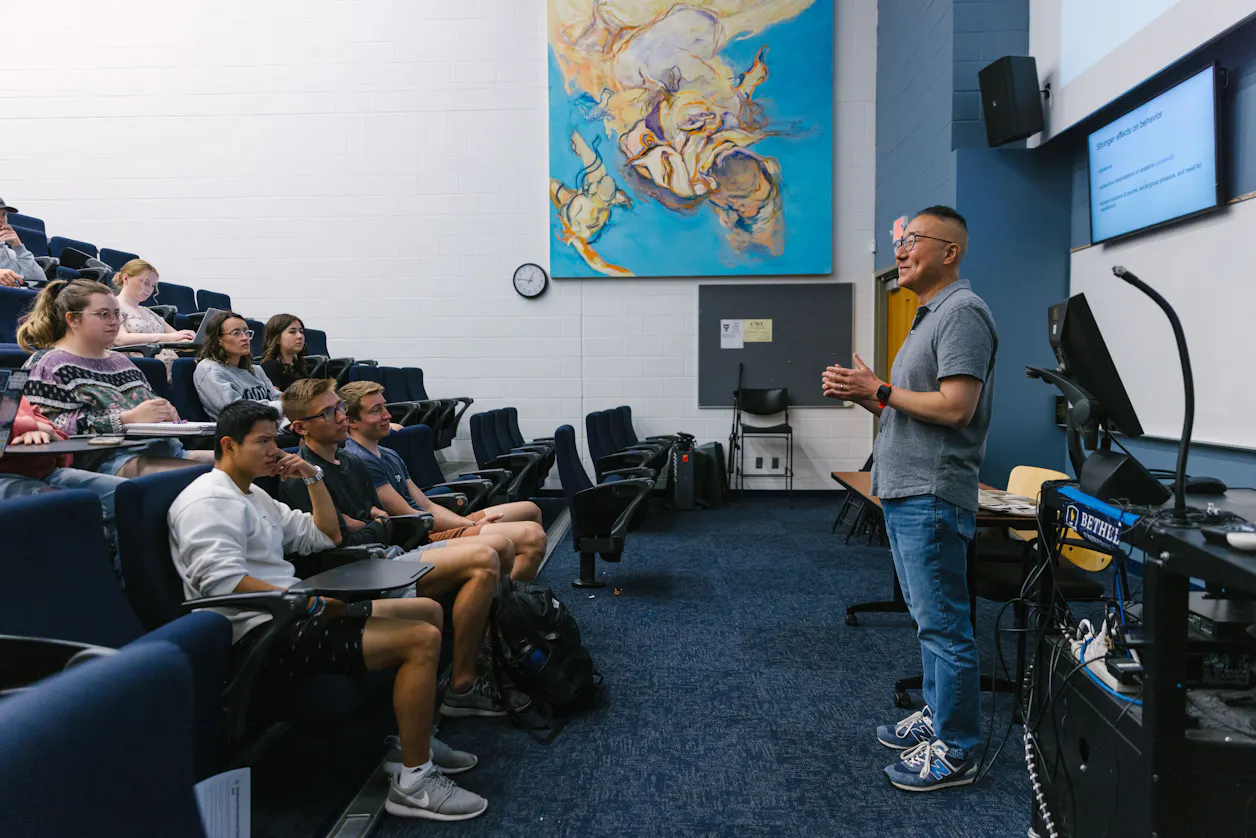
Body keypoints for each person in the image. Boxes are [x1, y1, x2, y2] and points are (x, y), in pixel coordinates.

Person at [168, 401, 487, 821]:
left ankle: (411, 740)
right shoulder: (206, 501)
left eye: (274, 440)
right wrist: (309, 602)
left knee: (425, 610)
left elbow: (324, 534)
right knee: (420, 638)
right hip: (260, 632)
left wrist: (312, 475)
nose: (273, 451)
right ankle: (414, 782)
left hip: (290, 612)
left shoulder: (253, 494)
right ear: (228, 445)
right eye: (261, 442)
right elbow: (220, 581)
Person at [823, 205, 998, 792]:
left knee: (945, 625)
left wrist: (881, 389)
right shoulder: (928, 318)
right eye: (898, 243)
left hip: (932, 493)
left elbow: (955, 408)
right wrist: (868, 396)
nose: (899, 251)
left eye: (911, 240)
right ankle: (938, 713)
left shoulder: (963, 314)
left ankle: (958, 749)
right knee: (930, 621)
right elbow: (910, 406)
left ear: (949, 251)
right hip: (904, 490)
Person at [278, 378, 529, 719]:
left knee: (497, 550)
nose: (339, 417)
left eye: (339, 407)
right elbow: (343, 540)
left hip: (391, 555)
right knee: (485, 555)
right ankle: (463, 684)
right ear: (299, 427)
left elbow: (379, 521)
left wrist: (369, 523)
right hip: (357, 574)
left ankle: (491, 655)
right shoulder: (300, 476)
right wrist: (372, 524)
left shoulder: (350, 462)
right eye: (328, 412)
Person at [339, 380, 548, 582]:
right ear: (352, 421)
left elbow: (426, 504)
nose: (388, 415)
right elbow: (409, 515)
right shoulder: (360, 460)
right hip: (421, 535)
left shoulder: (388, 453)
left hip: (431, 522)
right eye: (376, 411)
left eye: (385, 407)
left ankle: (510, 589)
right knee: (533, 536)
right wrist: (470, 525)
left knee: (531, 509)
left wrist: (468, 524)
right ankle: (510, 604)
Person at [17, 279, 209, 477]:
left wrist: (165, 411)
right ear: (73, 319)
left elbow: (148, 404)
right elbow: (49, 426)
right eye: (103, 314)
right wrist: (126, 419)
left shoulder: (120, 360)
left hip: (162, 449)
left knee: (237, 466)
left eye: (117, 314)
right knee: (208, 477)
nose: (114, 321)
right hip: (106, 461)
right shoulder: (48, 363)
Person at [0, 395, 126, 530]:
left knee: (129, 495)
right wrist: (32, 426)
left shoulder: (14, 396)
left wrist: (46, 433)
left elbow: (58, 437)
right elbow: (39, 426)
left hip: (48, 472)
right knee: (72, 508)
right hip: (6, 476)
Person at [110, 259, 197, 375]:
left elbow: (177, 337)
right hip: (139, 367)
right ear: (125, 278)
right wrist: (170, 337)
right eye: (145, 282)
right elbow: (120, 339)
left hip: (168, 366)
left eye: (153, 285)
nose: (150, 289)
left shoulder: (149, 312)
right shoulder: (112, 306)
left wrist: (190, 337)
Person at [193, 311, 283, 419]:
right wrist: (284, 407)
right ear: (218, 340)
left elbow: (277, 398)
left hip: (270, 425)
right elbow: (235, 410)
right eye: (236, 333)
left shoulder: (256, 370)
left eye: (246, 332)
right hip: (239, 431)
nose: (245, 338)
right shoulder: (209, 369)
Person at [0, 198, 46, 287]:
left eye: (4, 214)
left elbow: (40, 282)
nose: (1, 219)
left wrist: (18, 247)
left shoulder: (11, 253)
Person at [259, 313, 311, 392]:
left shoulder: (300, 365)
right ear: (277, 338)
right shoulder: (270, 366)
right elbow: (275, 400)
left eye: (301, 332)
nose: (299, 336)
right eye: (292, 332)